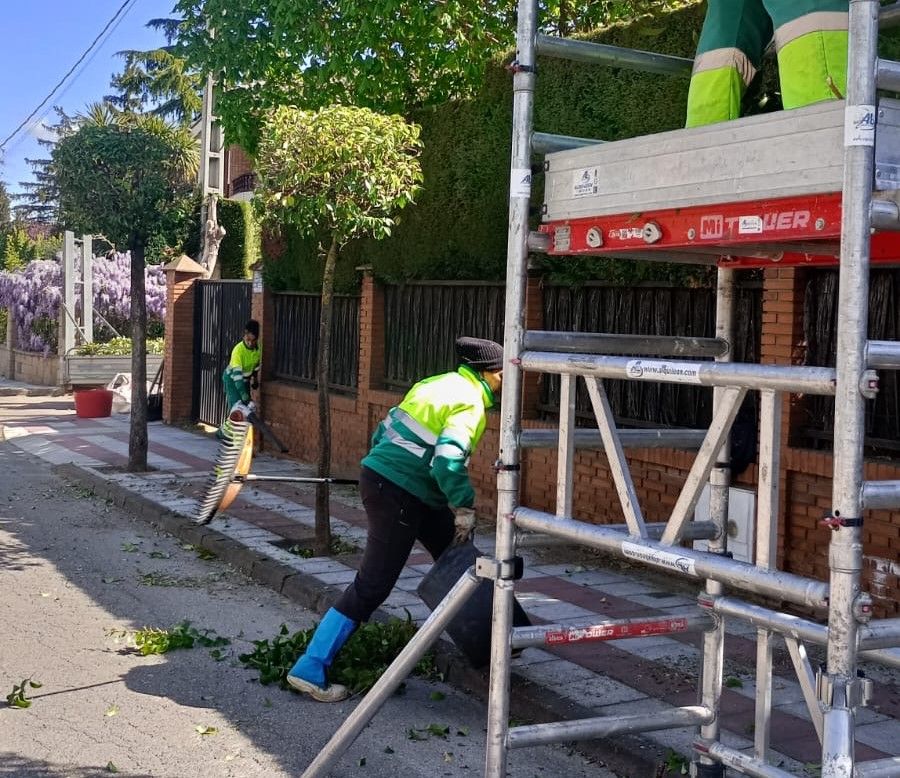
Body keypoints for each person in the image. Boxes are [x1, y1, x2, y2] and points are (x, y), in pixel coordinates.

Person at [286, 336, 505, 702]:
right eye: (505, 376)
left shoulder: (435, 384)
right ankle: (309, 667)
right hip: (402, 495)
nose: (508, 384)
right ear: (491, 374)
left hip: (404, 488)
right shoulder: (469, 403)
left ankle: (497, 642)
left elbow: (383, 431)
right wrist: (464, 507)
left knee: (461, 562)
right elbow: (448, 461)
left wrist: (391, 468)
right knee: (373, 585)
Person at [686, 1, 848, 128]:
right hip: (829, 130)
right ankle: (824, 117)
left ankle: (699, 136)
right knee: (807, 8)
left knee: (730, 20)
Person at [217, 319, 261, 440]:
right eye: (248, 340)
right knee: (237, 408)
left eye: (253, 341)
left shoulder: (258, 349)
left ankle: (224, 431)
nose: (250, 343)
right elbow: (237, 379)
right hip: (232, 380)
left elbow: (256, 366)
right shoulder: (238, 350)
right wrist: (244, 396)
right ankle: (236, 442)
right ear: (244, 335)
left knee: (245, 409)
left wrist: (255, 380)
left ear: (257, 339)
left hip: (245, 380)